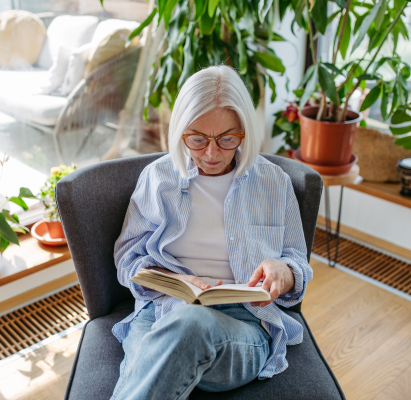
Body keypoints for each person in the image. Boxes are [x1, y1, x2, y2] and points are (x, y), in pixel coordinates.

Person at [111, 66, 313, 400]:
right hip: (162, 312)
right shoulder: (158, 178)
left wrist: (285, 272)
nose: (211, 153)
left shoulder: (273, 182)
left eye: (227, 139)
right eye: (197, 138)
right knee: (173, 340)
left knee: (191, 327)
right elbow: (127, 261)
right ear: (180, 131)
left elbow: (297, 262)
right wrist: (175, 281)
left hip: (244, 325)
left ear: (245, 131)